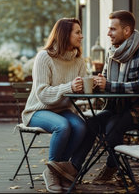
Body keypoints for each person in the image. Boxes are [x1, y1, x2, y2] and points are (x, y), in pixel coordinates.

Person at [56, 10, 139, 185]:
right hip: (116, 109)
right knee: (90, 124)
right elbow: (104, 81)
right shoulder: (112, 54)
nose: (108, 33)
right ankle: (74, 168)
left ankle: (113, 168)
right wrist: (94, 84)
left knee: (113, 126)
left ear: (126, 31)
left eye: (112, 29)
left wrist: (109, 85)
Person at [21, 18, 89, 193]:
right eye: (78, 32)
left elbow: (78, 93)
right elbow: (42, 93)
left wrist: (89, 85)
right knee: (63, 126)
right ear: (65, 34)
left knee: (81, 127)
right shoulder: (44, 57)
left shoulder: (79, 61)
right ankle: (51, 173)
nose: (81, 36)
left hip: (62, 110)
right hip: (37, 110)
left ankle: (61, 172)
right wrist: (69, 86)